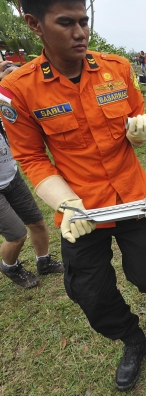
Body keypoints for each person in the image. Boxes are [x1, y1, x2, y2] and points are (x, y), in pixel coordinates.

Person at [0, 0, 146, 390]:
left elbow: (136, 120)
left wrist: (141, 129)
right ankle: (133, 339)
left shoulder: (116, 68)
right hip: (80, 209)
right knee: (89, 294)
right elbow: (30, 157)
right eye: (66, 23)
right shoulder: (18, 89)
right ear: (34, 24)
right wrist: (66, 204)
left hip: (130, 197)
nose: (80, 32)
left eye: (83, 21)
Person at [0, 61, 63, 289]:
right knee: (16, 234)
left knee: (36, 222)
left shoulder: (14, 102)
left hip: (11, 176)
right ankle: (9, 266)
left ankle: (43, 261)